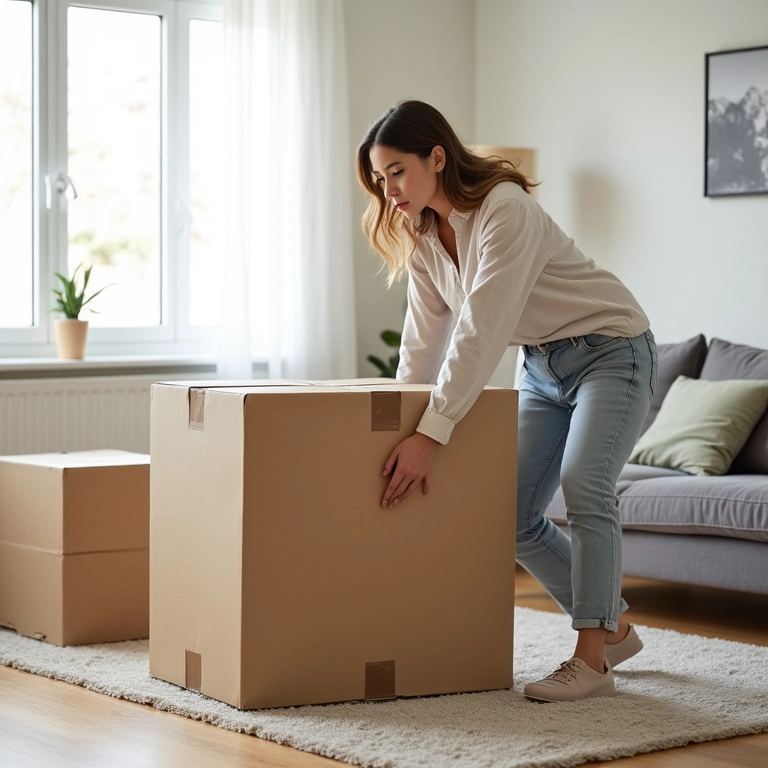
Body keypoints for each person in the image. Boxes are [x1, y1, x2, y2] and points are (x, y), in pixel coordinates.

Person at [356, 99, 657, 703]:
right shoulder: (424, 235)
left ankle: (592, 661)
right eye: (380, 179)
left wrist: (432, 434)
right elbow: (422, 341)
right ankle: (614, 630)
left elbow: (481, 329)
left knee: (585, 482)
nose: (389, 192)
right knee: (510, 515)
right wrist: (398, 428)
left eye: (397, 172)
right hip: (542, 366)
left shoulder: (505, 209)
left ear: (436, 158)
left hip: (611, 350)